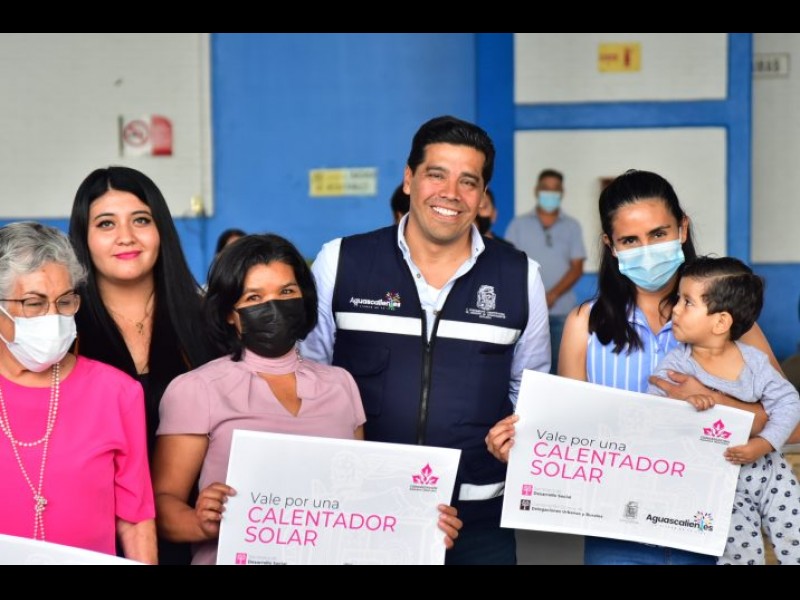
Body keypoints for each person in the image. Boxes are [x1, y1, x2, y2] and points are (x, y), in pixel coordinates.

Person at [487, 169, 788, 565]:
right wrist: (521, 446)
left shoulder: (729, 323)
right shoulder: (584, 325)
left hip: (712, 530)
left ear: (682, 229)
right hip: (616, 537)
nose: (647, 251)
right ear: (610, 246)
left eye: (659, 234)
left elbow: (791, 422)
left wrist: (710, 401)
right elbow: (567, 436)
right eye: (630, 240)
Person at [301, 115, 551, 565]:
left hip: (478, 517)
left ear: (483, 195)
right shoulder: (341, 261)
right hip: (361, 512)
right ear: (409, 178)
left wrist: (517, 436)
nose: (451, 193)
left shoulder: (519, 276)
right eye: (437, 174)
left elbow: (529, 395)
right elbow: (309, 381)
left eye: (468, 181)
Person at [151, 234, 462, 564]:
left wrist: (423, 524)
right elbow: (161, 502)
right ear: (230, 313)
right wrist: (199, 523)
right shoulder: (197, 389)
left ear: (304, 298)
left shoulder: (341, 385)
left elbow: (356, 498)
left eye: (286, 292)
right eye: (254, 296)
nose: (274, 306)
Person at [68, 166, 217, 564]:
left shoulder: (206, 322)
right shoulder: (64, 332)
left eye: (140, 220)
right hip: (96, 539)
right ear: (84, 237)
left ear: (161, 229)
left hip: (199, 532)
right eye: (106, 223)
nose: (126, 236)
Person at [0, 222, 156, 563]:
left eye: (65, 301)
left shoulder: (117, 393)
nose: (53, 317)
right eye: (34, 303)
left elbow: (136, 518)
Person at [646, 256, 800, 565]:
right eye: (678, 299)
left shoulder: (754, 362)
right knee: (738, 554)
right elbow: (655, 417)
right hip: (717, 481)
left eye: (687, 302)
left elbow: (788, 402)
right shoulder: (676, 368)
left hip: (769, 472)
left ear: (720, 322)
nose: (675, 309)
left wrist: (763, 444)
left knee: (795, 537)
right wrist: (686, 408)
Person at [505, 169, 586, 374]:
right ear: (536, 190)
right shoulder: (518, 225)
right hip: (526, 311)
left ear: (562, 192)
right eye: (545, 188)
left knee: (562, 371)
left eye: (555, 189)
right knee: (526, 371)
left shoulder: (572, 226)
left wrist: (553, 295)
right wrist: (536, 296)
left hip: (561, 312)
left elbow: (577, 267)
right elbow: (509, 263)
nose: (550, 193)